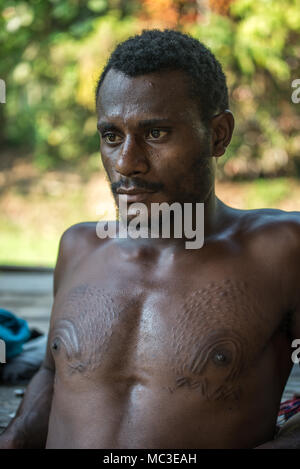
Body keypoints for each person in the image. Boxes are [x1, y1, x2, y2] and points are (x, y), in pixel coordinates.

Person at [1, 29, 300, 449]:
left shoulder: (281, 250)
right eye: (111, 136)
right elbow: (53, 375)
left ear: (218, 134)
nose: (127, 162)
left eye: (156, 134)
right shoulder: (79, 248)